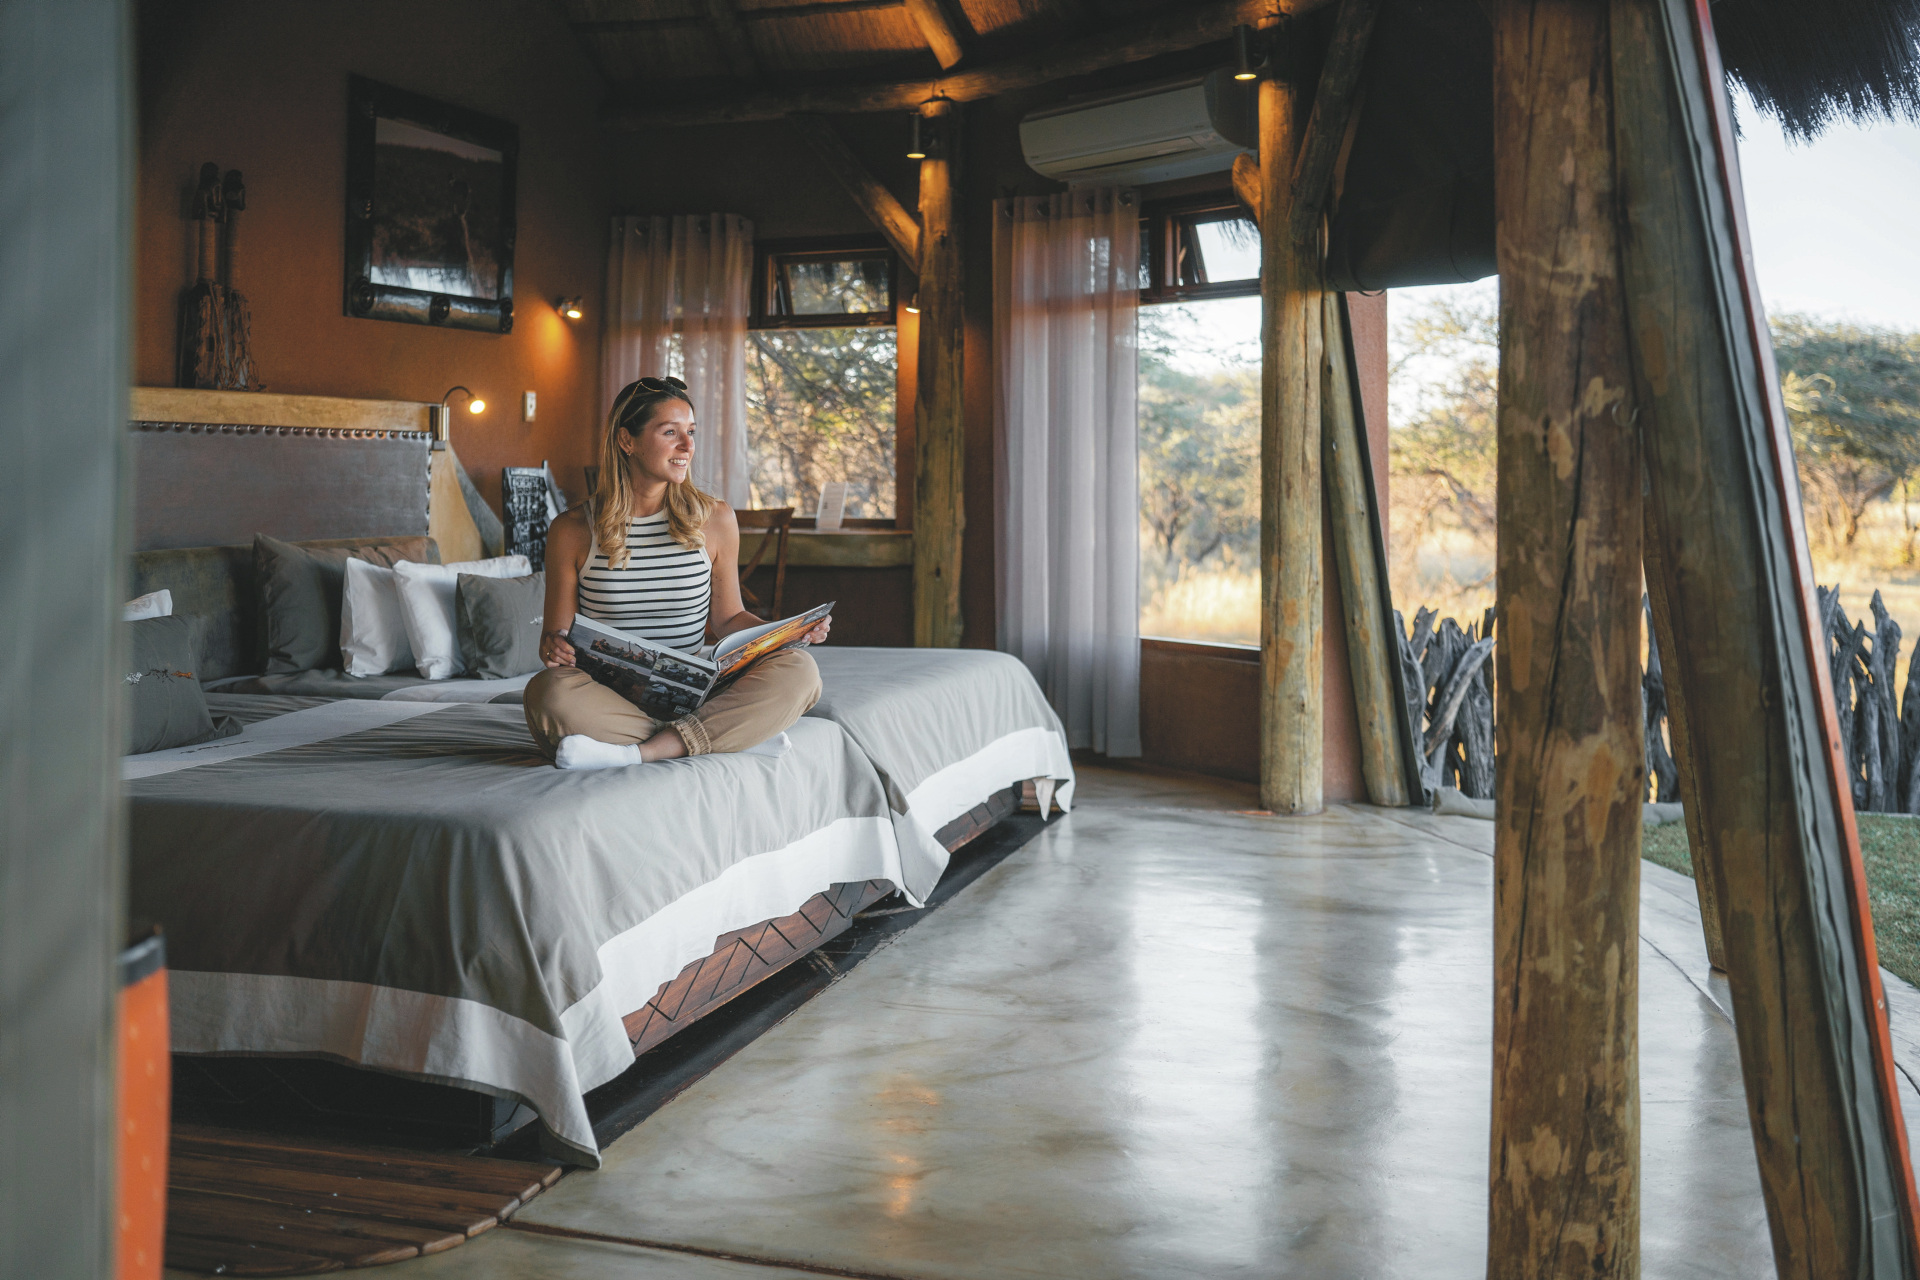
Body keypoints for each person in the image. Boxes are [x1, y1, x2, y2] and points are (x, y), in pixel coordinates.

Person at [524, 376, 830, 769]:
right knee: (548, 694)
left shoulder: (716, 519)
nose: (688, 446)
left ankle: (645, 751)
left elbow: (727, 618)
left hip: (695, 694)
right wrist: (554, 646)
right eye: (670, 432)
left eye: (691, 432)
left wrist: (786, 635)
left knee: (800, 670)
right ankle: (727, 734)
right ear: (626, 440)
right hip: (609, 698)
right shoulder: (571, 530)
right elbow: (555, 640)